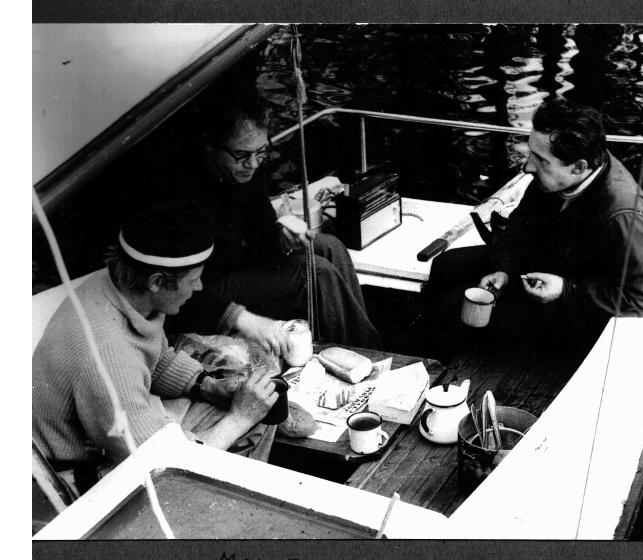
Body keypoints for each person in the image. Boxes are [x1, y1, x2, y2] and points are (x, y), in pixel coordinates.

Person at [33, 202, 282, 494]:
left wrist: (208, 385)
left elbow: (156, 357)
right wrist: (240, 419)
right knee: (249, 423)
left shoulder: (116, 287)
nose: (200, 287)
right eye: (193, 279)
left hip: (113, 435)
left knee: (246, 404)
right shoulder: (108, 354)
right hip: (76, 480)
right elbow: (163, 466)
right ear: (156, 282)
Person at [421, 98, 643, 363]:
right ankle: (439, 347)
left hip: (572, 310)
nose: (527, 167)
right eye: (531, 153)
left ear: (579, 167)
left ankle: (444, 363)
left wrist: (565, 289)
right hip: (544, 266)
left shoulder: (623, 217)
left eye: (540, 159)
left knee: (452, 305)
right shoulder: (559, 177)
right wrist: (504, 270)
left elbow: (642, 299)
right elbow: (518, 228)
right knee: (445, 265)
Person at [130, 99, 382, 349]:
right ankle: (370, 352)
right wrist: (239, 317)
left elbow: (262, 233)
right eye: (241, 155)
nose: (252, 164)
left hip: (235, 265)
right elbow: (180, 283)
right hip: (201, 288)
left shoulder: (247, 168)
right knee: (316, 271)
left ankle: (364, 339)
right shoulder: (179, 192)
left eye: (261, 152)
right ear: (210, 145)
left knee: (329, 245)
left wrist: (283, 239)